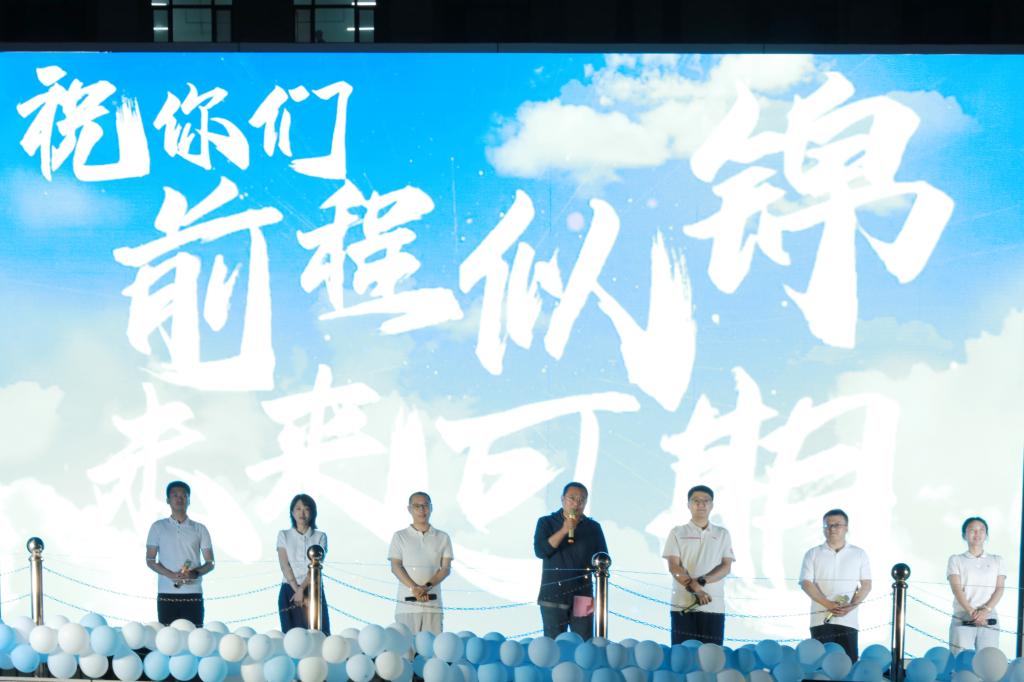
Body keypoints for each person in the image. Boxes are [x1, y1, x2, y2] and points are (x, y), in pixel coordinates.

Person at [533, 481, 608, 640]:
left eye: (582, 500)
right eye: (572, 498)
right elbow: (540, 551)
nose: (576, 503)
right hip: (553, 595)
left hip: (583, 595)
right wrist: (564, 530)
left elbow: (603, 559)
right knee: (554, 645)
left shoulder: (593, 527)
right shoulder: (546, 522)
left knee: (584, 643)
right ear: (562, 499)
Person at [663, 484, 735, 645]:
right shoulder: (677, 532)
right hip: (682, 606)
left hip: (713, 607)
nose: (701, 504)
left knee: (712, 656)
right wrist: (696, 589)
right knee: (683, 655)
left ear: (712, 505)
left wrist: (702, 581)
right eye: (696, 500)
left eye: (706, 501)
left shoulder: (722, 534)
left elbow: (726, 566)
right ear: (688, 505)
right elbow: (673, 566)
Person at [799, 509, 872, 661]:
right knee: (820, 664)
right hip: (820, 619)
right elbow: (805, 583)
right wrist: (828, 604)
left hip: (849, 620)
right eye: (828, 525)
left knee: (848, 663)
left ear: (846, 527)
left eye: (837, 525)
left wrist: (851, 606)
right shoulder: (813, 553)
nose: (832, 529)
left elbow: (866, 584)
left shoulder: (859, 554)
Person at [145, 480, 215, 626]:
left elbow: (210, 563)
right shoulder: (158, 527)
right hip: (166, 593)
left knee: (195, 636)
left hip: (193, 593)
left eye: (184, 495)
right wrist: (170, 574)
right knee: (167, 637)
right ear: (168, 500)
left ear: (189, 500)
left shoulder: (200, 529)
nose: (179, 498)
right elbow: (150, 560)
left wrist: (194, 573)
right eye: (175, 495)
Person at [388, 492, 453, 634]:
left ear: (431, 508)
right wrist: (414, 588)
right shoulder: (400, 536)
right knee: (406, 647)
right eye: (417, 506)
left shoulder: (443, 537)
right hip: (406, 607)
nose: (422, 510)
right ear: (409, 509)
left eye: (425, 505)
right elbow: (395, 566)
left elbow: (445, 569)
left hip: (433, 607)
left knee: (433, 647)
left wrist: (426, 587)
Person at [947, 516, 1005, 654]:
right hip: (963, 616)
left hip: (989, 617)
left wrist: (985, 611)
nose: (977, 533)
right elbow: (956, 589)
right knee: (960, 659)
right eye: (972, 530)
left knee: (988, 660)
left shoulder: (997, 560)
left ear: (986, 535)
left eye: (981, 530)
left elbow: (999, 589)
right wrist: (972, 612)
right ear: (964, 535)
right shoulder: (956, 559)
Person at [276, 493, 331, 633]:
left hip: (313, 589)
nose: (302, 513)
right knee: (291, 637)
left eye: (306, 508)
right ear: (292, 512)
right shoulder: (284, 535)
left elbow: (316, 567)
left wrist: (301, 591)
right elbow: (284, 565)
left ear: (313, 512)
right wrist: (297, 590)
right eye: (298, 508)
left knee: (320, 635)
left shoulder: (320, 536)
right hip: (289, 590)